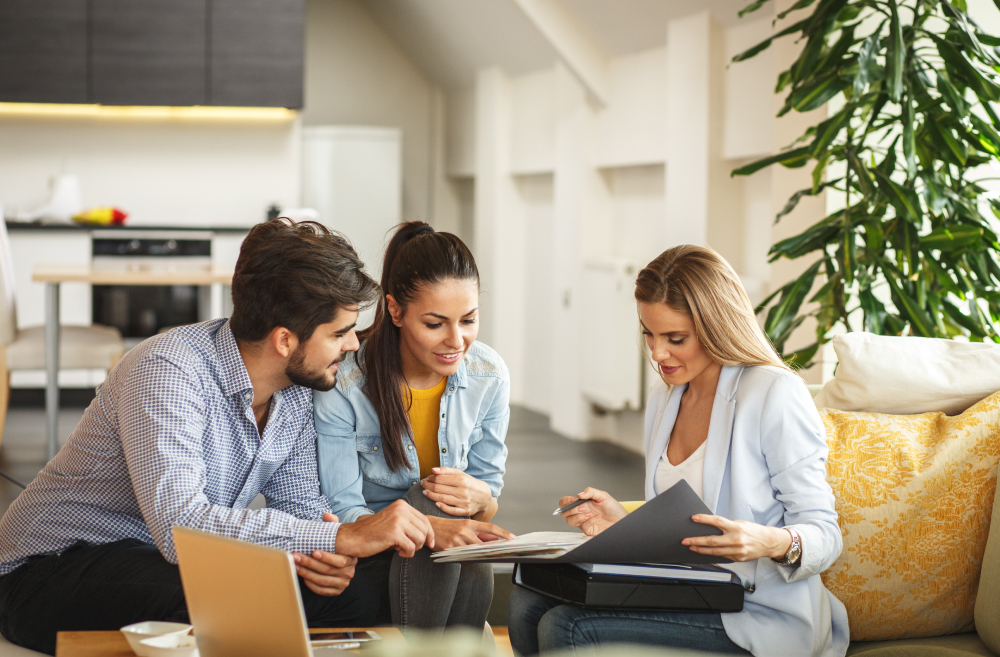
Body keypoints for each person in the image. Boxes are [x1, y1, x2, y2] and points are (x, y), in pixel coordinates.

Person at [0, 218, 436, 655]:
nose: (353, 345)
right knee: (211, 598)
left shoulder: (297, 391)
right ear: (284, 340)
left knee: (352, 598)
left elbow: (301, 506)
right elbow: (180, 525)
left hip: (162, 560)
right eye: (339, 333)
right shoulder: (168, 370)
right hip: (47, 569)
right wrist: (340, 538)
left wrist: (325, 559)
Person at [509, 245, 849, 657]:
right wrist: (624, 523)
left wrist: (769, 541)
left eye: (676, 339)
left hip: (758, 612)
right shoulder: (665, 397)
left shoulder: (774, 393)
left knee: (568, 626)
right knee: (528, 602)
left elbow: (825, 535)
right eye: (649, 333)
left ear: (717, 326)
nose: (657, 353)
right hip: (691, 592)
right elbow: (683, 525)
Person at [314, 221, 512, 632]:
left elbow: (487, 502)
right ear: (395, 310)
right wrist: (431, 526)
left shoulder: (489, 375)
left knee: (462, 538)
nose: (456, 340)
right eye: (435, 324)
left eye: (469, 320)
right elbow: (343, 511)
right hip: (374, 556)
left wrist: (480, 498)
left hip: (448, 562)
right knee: (427, 501)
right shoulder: (346, 382)